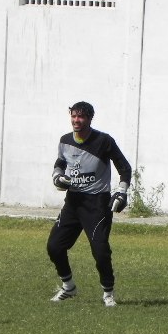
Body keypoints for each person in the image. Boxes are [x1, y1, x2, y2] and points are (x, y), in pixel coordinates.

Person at [46, 101, 132, 307]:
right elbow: (60, 163)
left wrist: (121, 192)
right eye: (74, 116)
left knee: (100, 251)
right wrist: (58, 177)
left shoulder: (104, 141)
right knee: (54, 247)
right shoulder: (65, 140)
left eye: (81, 117)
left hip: (97, 204)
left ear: (90, 119)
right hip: (73, 203)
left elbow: (125, 168)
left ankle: (108, 293)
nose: (77, 120)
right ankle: (68, 287)